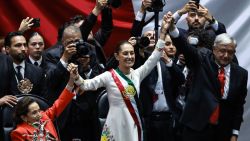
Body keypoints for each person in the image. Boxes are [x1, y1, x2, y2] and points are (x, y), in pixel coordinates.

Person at [69, 12, 172, 141]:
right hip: (114, 125)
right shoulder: (108, 76)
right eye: (125, 53)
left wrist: (162, 33)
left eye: (131, 53)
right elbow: (86, 85)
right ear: (117, 56)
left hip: (133, 124)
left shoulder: (138, 74)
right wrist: (76, 75)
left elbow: (155, 55)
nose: (130, 57)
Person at [170, 18, 248, 141]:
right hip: (195, 128)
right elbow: (185, 47)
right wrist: (173, 29)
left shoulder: (241, 74)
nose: (226, 55)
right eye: (222, 51)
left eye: (230, 52)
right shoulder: (202, 59)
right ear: (214, 49)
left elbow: (238, 106)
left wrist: (234, 133)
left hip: (223, 131)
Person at [10, 66, 76, 141]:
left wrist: (72, 79)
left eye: (39, 110)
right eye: (34, 112)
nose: (39, 114)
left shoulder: (44, 116)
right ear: (24, 117)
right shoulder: (19, 133)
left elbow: (61, 102)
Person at [139, 33, 185, 141]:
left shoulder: (172, 64)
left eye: (174, 44)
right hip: (148, 118)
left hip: (169, 119)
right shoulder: (145, 62)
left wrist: (167, 61)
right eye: (168, 44)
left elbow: (180, 79)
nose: (171, 47)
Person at [4, 31, 46, 96]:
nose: (23, 49)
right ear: (7, 49)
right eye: (18, 45)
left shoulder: (38, 71)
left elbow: (43, 98)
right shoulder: (2, 70)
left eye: (25, 45)